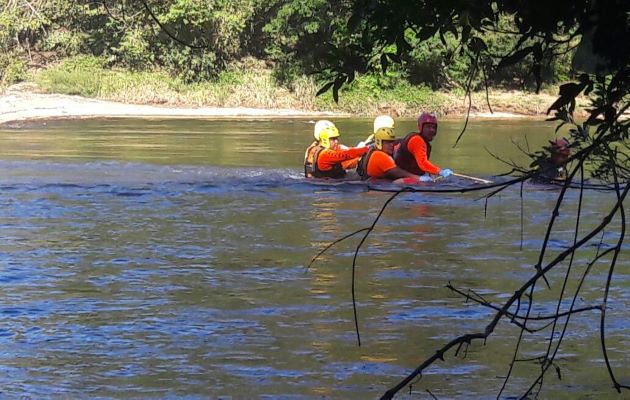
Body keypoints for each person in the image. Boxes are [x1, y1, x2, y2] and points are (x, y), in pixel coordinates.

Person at [357, 115, 430, 184]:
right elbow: (397, 172)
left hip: (375, 183)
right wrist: (419, 178)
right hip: (376, 188)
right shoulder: (379, 155)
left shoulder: (376, 151)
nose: (391, 145)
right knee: (401, 181)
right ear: (379, 142)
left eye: (392, 142)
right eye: (388, 142)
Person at [394, 112, 453, 179]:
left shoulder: (423, 142)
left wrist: (433, 172)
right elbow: (423, 163)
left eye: (433, 127)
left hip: (411, 173)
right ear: (420, 127)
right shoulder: (417, 140)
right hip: (402, 175)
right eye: (428, 127)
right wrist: (440, 171)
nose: (431, 130)